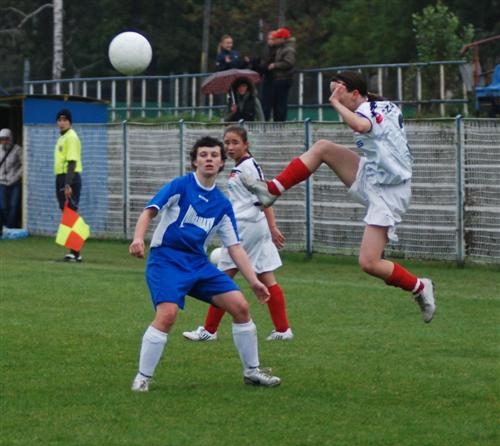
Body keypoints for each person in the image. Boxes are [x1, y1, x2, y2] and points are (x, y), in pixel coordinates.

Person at [241, 71, 437, 323]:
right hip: (374, 175)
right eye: (332, 92)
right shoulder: (378, 104)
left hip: (390, 191)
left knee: (369, 262)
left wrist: (334, 104)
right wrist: (339, 100)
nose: (334, 97)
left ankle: (420, 286)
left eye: (338, 92)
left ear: (355, 93)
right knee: (323, 148)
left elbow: (361, 126)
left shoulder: (367, 110)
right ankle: (272, 190)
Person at [129, 136, 281, 392]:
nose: (209, 159)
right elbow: (150, 210)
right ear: (195, 161)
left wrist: (254, 281)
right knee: (167, 315)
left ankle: (252, 372)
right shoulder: (181, 185)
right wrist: (137, 239)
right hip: (166, 259)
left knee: (240, 307)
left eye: (214, 155)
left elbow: (235, 247)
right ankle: (143, 378)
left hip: (198, 264)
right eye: (203, 155)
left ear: (221, 163)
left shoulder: (222, 204)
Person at [183, 126, 293, 342]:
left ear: (246, 144)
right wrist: (270, 227)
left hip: (245, 228)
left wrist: (272, 227)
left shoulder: (247, 167)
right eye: (227, 142)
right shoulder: (241, 166)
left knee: (222, 278)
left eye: (235, 142)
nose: (230, 147)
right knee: (266, 276)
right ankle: (283, 330)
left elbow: (265, 196)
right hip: (254, 225)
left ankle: (209, 331)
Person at [54, 109, 83, 262]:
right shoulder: (62, 137)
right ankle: (73, 251)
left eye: (65, 120)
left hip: (69, 178)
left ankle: (76, 252)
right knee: (67, 213)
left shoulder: (71, 137)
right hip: (61, 177)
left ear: (70, 122)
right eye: (59, 120)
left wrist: (67, 184)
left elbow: (72, 162)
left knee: (70, 213)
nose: (62, 122)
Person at [268, 28, 296, 121]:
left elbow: (289, 63)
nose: (275, 40)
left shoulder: (289, 49)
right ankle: (278, 121)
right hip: (279, 78)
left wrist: (275, 65)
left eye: (277, 38)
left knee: (281, 103)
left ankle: (281, 122)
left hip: (284, 79)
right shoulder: (281, 48)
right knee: (276, 103)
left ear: (283, 38)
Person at [0, 129, 23, 235]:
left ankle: (11, 227)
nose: (4, 141)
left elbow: (24, 164)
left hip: (14, 182)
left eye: (6, 139)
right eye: (2, 139)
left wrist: (17, 176)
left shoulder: (17, 149)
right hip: (2, 182)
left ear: (10, 138)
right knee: (3, 206)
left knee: (14, 205)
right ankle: (5, 226)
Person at [251, 31, 277, 121]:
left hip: (274, 79)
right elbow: (264, 65)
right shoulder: (266, 50)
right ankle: (265, 120)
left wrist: (260, 66)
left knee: (273, 103)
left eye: (272, 39)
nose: (270, 41)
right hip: (266, 79)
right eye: (269, 39)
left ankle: (271, 120)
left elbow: (268, 66)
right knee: (265, 103)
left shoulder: (277, 51)